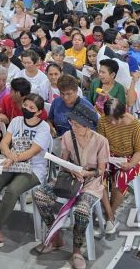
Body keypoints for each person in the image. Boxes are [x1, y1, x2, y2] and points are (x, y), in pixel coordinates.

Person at [33, 103, 108, 269]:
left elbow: (101, 170)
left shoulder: (101, 141)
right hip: (69, 179)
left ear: (88, 126)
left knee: (82, 210)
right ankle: (56, 237)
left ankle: (77, 250)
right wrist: (71, 169)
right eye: (72, 123)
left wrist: (86, 173)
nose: (73, 127)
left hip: (90, 184)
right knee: (40, 195)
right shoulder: (68, 136)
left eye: (77, 125)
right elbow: (63, 161)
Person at [0, 93, 52, 252]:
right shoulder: (16, 121)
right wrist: (9, 154)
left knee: (12, 190)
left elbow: (33, 151)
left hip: (33, 168)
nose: (26, 109)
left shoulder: (44, 127)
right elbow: (4, 143)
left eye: (31, 108)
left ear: (39, 112)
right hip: (11, 162)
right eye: (25, 105)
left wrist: (14, 158)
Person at [96, 97, 140, 234]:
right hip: (110, 156)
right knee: (98, 175)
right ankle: (110, 215)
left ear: (123, 115)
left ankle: (110, 215)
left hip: (132, 158)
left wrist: (130, 164)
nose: (112, 123)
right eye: (109, 119)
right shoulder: (103, 121)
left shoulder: (134, 125)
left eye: (115, 119)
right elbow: (101, 144)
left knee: (120, 179)